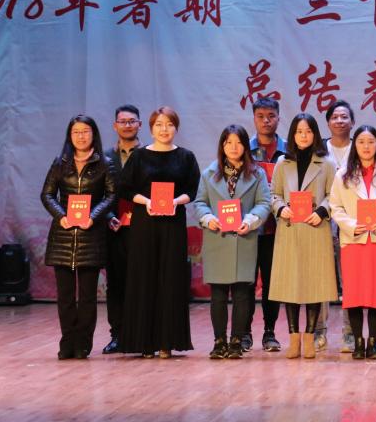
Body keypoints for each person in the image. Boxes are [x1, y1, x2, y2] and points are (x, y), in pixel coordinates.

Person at [117, 106, 200, 358]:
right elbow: (125, 188)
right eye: (159, 125)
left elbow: (192, 190)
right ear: (151, 129)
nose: (164, 129)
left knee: (170, 279)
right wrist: (146, 201)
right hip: (145, 223)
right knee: (144, 278)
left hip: (173, 224)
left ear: (176, 128)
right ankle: (144, 341)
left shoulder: (186, 157)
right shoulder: (139, 156)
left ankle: (167, 341)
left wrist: (175, 202)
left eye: (169, 124)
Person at [192, 125, 273, 360]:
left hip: (244, 238)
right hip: (217, 238)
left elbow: (264, 203)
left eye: (239, 143)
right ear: (222, 146)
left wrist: (251, 220)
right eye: (229, 143)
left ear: (246, 146)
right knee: (218, 294)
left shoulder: (257, 174)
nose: (234, 147)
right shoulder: (209, 173)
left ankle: (237, 340)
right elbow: (200, 203)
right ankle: (219, 341)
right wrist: (208, 218)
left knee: (242, 293)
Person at [41, 114, 115, 360]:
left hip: (90, 237)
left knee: (87, 298)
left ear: (93, 134)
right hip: (63, 236)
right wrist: (61, 216)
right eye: (76, 132)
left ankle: (83, 343)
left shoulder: (104, 164)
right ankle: (67, 342)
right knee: (65, 297)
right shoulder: (60, 162)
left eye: (85, 131)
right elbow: (47, 195)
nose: (81, 136)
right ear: (69, 136)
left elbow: (111, 196)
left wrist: (93, 216)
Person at [269, 113, 339, 359]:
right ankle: (293, 338)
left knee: (313, 285)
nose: (304, 136)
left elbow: (334, 195)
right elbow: (273, 194)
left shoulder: (327, 163)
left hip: (315, 228)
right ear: (292, 135)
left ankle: (310, 337)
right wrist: (280, 208)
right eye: (299, 131)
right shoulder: (282, 162)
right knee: (290, 285)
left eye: (308, 131)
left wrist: (322, 211)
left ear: (315, 134)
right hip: (289, 229)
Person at [330, 126, 376, 360]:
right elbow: (335, 207)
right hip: (353, 240)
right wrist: (351, 225)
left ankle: (372, 342)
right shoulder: (342, 175)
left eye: (371, 141)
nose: (366, 146)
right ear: (355, 145)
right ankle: (358, 343)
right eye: (361, 142)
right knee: (354, 293)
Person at [247, 97, 287, 353]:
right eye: (260, 116)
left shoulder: (288, 150)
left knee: (272, 283)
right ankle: (244, 332)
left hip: (279, 229)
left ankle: (269, 332)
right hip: (249, 228)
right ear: (254, 119)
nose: (266, 121)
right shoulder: (243, 149)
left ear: (278, 118)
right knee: (247, 283)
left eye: (271, 116)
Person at [102, 104, 141, 354]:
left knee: (142, 282)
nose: (127, 125)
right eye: (123, 121)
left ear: (139, 125)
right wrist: (107, 216)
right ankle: (117, 334)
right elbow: (98, 193)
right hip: (114, 228)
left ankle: (141, 334)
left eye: (131, 121)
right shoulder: (105, 157)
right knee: (116, 283)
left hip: (143, 227)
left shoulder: (149, 154)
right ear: (115, 126)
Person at [325, 99, 355, 353]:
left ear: (352, 122)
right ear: (328, 122)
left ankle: (349, 333)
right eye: (335, 117)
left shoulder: (360, 148)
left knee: (350, 281)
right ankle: (318, 331)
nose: (339, 121)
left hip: (351, 224)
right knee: (321, 279)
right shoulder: (319, 151)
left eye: (344, 117)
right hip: (322, 223)